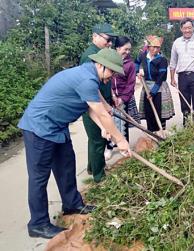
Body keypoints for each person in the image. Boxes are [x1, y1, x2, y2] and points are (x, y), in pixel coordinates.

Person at [18, 48, 130, 239]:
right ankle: (38, 224)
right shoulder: (86, 79)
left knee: (66, 166)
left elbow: (92, 109)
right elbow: (101, 112)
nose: (111, 77)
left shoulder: (89, 75)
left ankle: (72, 204)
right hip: (40, 128)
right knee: (39, 178)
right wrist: (121, 140)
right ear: (100, 65)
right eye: (111, 71)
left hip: (58, 127)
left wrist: (103, 127)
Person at [79, 23, 116, 182]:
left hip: (102, 101)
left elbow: (105, 80)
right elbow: (91, 87)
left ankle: (92, 167)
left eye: (111, 41)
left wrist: (111, 95)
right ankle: (99, 176)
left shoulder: (101, 53)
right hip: (93, 104)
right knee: (98, 139)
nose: (109, 43)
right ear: (95, 36)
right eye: (107, 39)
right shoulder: (90, 57)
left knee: (95, 138)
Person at [105, 36, 140, 160]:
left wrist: (122, 98)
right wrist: (113, 95)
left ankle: (124, 148)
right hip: (110, 98)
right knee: (110, 123)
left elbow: (131, 84)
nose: (127, 52)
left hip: (124, 98)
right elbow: (107, 80)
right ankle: (109, 147)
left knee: (123, 124)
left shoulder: (130, 65)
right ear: (117, 48)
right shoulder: (109, 61)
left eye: (129, 50)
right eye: (125, 49)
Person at [170, 17, 194, 126]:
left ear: (193, 28)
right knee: (184, 103)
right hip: (182, 77)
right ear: (181, 29)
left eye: (189, 28)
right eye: (185, 28)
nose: (187, 30)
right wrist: (172, 78)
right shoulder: (177, 43)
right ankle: (187, 127)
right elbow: (173, 62)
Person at [135, 35, 175, 132]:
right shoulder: (143, 56)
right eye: (153, 47)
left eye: (158, 47)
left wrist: (152, 93)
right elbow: (135, 63)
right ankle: (151, 134)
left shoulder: (162, 60)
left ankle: (161, 133)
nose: (156, 49)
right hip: (146, 86)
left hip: (159, 88)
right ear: (148, 47)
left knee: (159, 112)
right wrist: (137, 72)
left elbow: (161, 77)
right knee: (149, 112)